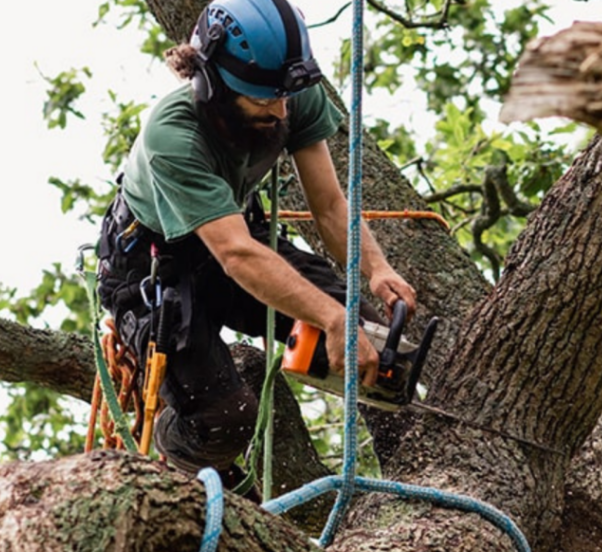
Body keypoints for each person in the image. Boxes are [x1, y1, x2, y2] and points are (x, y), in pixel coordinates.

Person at [96, 0, 416, 488]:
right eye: (265, 99)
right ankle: (181, 447)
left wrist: (375, 269)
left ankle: (411, 467)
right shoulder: (173, 135)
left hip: (238, 237)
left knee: (372, 343)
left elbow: (328, 205)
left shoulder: (287, 91)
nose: (281, 110)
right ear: (211, 84)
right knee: (225, 415)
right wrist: (331, 318)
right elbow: (236, 255)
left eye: (285, 96)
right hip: (156, 271)